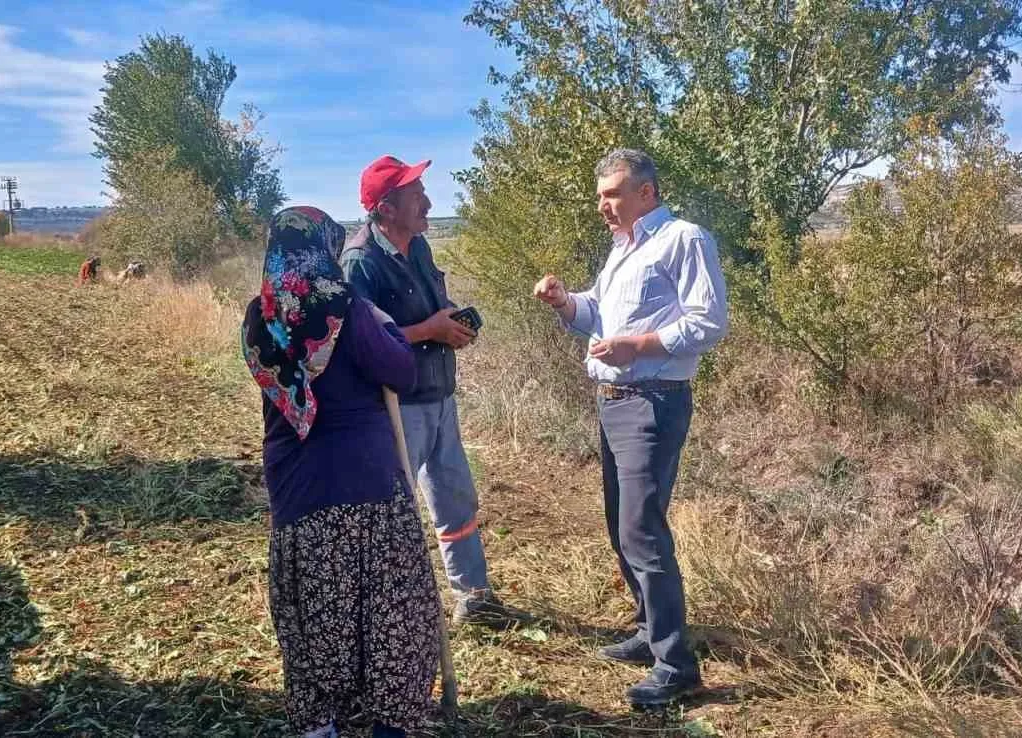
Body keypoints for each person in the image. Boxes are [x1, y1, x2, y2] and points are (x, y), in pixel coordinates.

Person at [531, 148, 728, 706]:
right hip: (614, 400)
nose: (604, 206)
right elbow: (599, 315)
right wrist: (565, 302)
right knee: (622, 523)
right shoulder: (622, 251)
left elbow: (708, 322)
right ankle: (648, 630)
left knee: (642, 528)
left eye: (613, 194)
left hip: (653, 400)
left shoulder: (683, 240)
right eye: (600, 196)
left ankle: (676, 664)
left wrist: (636, 346)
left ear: (647, 192)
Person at [242, 206, 441, 738]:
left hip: (296, 484)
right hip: (366, 482)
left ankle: (317, 724)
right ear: (326, 249)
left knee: (313, 616)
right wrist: (390, 330)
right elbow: (399, 370)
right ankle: (389, 725)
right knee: (390, 614)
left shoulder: (259, 317)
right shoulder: (348, 310)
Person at [340, 155, 524, 627]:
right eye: (416, 194)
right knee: (394, 511)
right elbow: (361, 344)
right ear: (386, 208)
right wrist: (428, 330)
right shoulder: (361, 263)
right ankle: (397, 613)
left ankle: (473, 597)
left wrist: (452, 323)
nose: (428, 202)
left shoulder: (418, 247)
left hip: (440, 395)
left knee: (455, 498)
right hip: (397, 407)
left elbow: (434, 309)